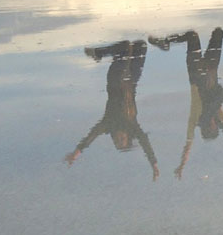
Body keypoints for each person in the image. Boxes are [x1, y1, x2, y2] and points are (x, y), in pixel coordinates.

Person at [147, 28, 223, 178]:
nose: (209, 126)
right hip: (211, 70)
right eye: (212, 128)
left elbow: (188, 143)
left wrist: (182, 165)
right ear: (215, 128)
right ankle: (166, 42)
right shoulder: (219, 117)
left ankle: (165, 42)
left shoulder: (196, 119)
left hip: (196, 74)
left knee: (192, 36)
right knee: (219, 32)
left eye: (206, 129)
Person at [65, 40, 159, 180]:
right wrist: (154, 163)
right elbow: (144, 142)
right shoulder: (132, 125)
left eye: (117, 142)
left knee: (126, 46)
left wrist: (77, 152)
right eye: (122, 140)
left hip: (116, 79)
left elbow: (92, 135)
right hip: (132, 80)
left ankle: (98, 53)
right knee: (141, 45)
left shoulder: (107, 124)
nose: (118, 139)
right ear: (128, 136)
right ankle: (115, 53)